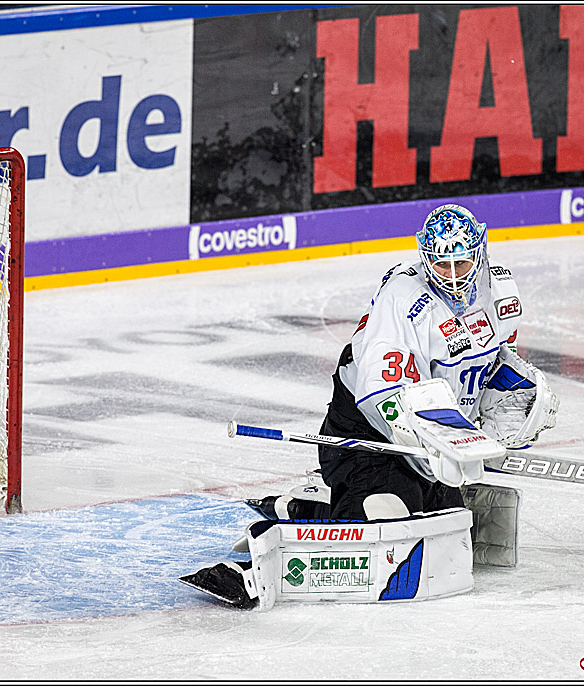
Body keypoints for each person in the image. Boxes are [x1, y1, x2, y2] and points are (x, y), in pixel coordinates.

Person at [181, 203, 558, 607]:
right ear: (424, 257)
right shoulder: (403, 298)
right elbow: (382, 396)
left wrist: (513, 400)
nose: (451, 277)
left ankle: (314, 498)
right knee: (389, 520)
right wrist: (427, 449)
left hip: (435, 430)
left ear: (480, 253)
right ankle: (277, 539)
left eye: (461, 264)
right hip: (366, 430)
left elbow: (497, 359)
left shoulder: (501, 290)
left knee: (441, 526)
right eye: (441, 265)